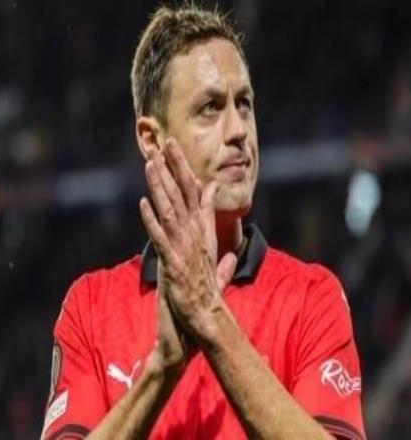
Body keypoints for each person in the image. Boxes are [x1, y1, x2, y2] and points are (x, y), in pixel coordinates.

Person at [40, 5, 366, 440]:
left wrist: (210, 319)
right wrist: (161, 370)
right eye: (210, 108)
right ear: (152, 139)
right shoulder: (90, 309)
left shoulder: (312, 299)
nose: (238, 130)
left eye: (244, 104)